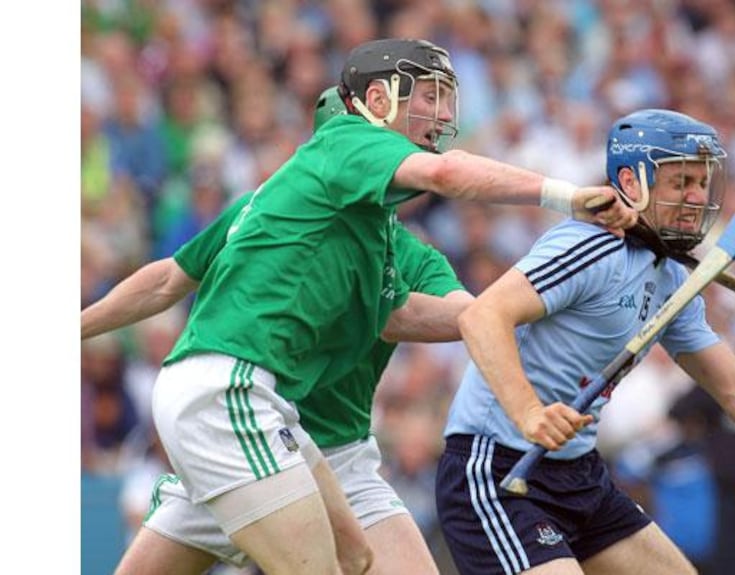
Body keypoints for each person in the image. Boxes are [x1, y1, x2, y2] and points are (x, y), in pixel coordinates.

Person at [435, 108, 735, 575]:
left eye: (702, 182)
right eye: (681, 182)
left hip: (579, 475)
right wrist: (529, 413)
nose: (697, 197)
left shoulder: (670, 275)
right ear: (630, 182)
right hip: (498, 469)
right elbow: (482, 315)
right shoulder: (589, 245)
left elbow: (734, 386)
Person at [83, 85, 474, 575]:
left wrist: (523, 305)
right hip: (242, 430)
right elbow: (165, 279)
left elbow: (462, 313)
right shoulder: (265, 211)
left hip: (333, 453)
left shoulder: (407, 251)